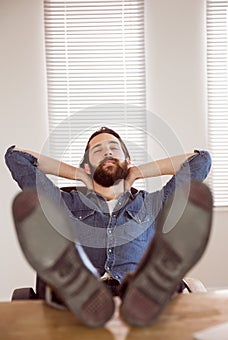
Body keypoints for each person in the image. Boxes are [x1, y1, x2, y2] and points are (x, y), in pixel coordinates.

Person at [5, 126, 213, 328]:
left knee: (178, 286)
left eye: (114, 148)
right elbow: (16, 157)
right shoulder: (64, 203)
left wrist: (137, 172)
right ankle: (82, 288)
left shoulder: (152, 204)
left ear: (127, 161)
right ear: (87, 166)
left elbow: (200, 161)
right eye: (98, 150)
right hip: (81, 296)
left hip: (137, 293)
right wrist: (78, 174)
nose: (107, 151)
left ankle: (145, 290)